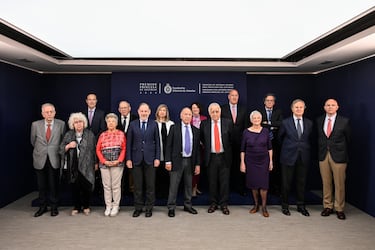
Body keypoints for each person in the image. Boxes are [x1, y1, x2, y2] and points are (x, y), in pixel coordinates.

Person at [317, 98, 351, 220]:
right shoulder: (319, 120)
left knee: (339, 184)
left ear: (337, 107)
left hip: (339, 157)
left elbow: (348, 139)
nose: (330, 107)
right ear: (324, 107)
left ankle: (339, 208)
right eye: (328, 105)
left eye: (333, 105)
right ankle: (328, 206)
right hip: (323, 155)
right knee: (326, 183)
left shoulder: (344, 121)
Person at [31, 103, 65, 217]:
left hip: (54, 157)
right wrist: (42, 150)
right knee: (41, 185)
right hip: (39, 158)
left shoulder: (61, 124)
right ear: (42, 114)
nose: (49, 114)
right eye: (47, 112)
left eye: (51, 112)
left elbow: (62, 140)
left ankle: (54, 207)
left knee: (53, 184)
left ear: (55, 112)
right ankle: (42, 207)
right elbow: (32, 141)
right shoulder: (35, 125)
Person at [279, 99, 313, 216]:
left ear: (304, 108)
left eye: (301, 107)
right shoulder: (285, 122)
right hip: (288, 156)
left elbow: (310, 139)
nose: (299, 109)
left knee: (301, 183)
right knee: (286, 183)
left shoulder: (309, 123)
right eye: (296, 107)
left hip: (303, 157)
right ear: (292, 109)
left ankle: (301, 206)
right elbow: (280, 138)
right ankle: (285, 206)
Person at [126, 103, 161, 218]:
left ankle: (149, 208)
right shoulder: (132, 124)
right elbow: (129, 143)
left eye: (146, 111)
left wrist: (157, 157)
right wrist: (129, 159)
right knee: (137, 186)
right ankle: (138, 208)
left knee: (150, 186)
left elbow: (157, 142)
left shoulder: (154, 124)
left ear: (150, 112)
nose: (144, 113)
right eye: (142, 111)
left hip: (150, 159)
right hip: (136, 159)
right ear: (138, 111)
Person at [165, 107, 201, 217]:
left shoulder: (195, 130)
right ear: (181, 116)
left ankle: (188, 205)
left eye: (189, 114)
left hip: (190, 161)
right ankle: (171, 207)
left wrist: (198, 164)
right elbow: (168, 146)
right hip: (176, 161)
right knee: (173, 186)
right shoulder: (174, 128)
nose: (187, 116)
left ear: (191, 117)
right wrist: (167, 161)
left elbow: (197, 150)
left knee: (189, 185)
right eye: (185, 114)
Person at [60, 112, 96, 216]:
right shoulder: (68, 134)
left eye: (80, 122)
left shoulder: (90, 134)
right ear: (73, 124)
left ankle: (86, 206)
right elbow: (61, 149)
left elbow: (94, 150)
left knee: (86, 186)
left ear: (84, 123)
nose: (78, 124)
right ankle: (76, 207)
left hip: (87, 165)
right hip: (73, 165)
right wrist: (68, 146)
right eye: (76, 122)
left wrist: (95, 163)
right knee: (75, 187)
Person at [200, 103, 232, 215]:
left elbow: (232, 139)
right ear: (209, 113)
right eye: (212, 112)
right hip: (211, 157)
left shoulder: (227, 122)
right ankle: (213, 203)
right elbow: (202, 139)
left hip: (224, 156)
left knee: (224, 182)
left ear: (220, 112)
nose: (215, 114)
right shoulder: (204, 124)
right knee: (212, 182)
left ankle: (224, 204)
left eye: (217, 111)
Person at [240, 111, 273, 217]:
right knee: (253, 185)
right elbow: (242, 149)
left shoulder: (266, 131)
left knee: (264, 185)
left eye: (258, 118)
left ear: (261, 119)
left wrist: (271, 161)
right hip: (250, 161)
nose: (256, 119)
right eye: (254, 118)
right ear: (251, 120)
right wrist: (242, 163)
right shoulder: (246, 132)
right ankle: (256, 205)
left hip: (264, 161)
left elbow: (270, 148)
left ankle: (264, 207)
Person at [96, 113, 126, 217]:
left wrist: (118, 160)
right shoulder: (102, 135)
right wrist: (104, 161)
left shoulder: (121, 134)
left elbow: (124, 149)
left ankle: (116, 205)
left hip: (117, 164)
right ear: (106, 123)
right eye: (109, 121)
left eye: (113, 121)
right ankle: (108, 205)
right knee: (107, 186)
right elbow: (98, 149)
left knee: (116, 186)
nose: (111, 123)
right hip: (105, 164)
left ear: (117, 123)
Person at [221, 89, 249, 196]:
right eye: (232, 95)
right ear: (228, 96)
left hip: (240, 142)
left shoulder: (243, 109)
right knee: (226, 166)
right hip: (226, 143)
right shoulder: (222, 109)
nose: (234, 97)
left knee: (239, 165)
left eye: (236, 95)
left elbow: (246, 127)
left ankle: (240, 188)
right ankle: (226, 188)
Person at [260, 93, 283, 195]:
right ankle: (263, 186)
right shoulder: (259, 112)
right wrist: (273, 126)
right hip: (262, 143)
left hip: (275, 143)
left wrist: (268, 124)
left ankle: (275, 187)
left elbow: (281, 123)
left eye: (271, 100)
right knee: (263, 165)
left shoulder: (278, 112)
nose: (269, 102)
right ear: (264, 102)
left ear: (274, 102)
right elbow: (258, 124)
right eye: (268, 100)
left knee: (275, 165)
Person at [117, 100, 138, 196]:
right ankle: (121, 192)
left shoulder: (136, 119)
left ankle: (132, 193)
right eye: (121, 108)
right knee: (120, 173)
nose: (123, 110)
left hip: (133, 150)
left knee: (132, 173)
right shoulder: (115, 120)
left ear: (129, 108)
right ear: (119, 110)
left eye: (125, 107)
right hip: (118, 151)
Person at [155, 104, 174, 198]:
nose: (162, 112)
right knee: (157, 175)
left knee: (168, 175)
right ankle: (158, 194)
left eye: (164, 110)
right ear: (157, 112)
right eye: (160, 110)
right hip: (157, 153)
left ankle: (167, 194)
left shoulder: (171, 124)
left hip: (169, 154)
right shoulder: (153, 124)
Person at [191, 102, 207, 197]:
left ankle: (196, 187)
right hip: (191, 148)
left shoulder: (204, 119)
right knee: (192, 168)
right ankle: (192, 188)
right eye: (193, 108)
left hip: (202, 147)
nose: (195, 109)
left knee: (199, 168)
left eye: (197, 107)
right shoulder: (188, 118)